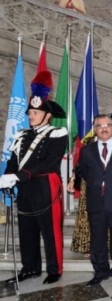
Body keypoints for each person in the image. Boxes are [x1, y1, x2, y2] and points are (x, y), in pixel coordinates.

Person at [1, 86, 67, 285]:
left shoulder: (57, 133)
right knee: (26, 230)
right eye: (30, 112)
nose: (31, 116)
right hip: (25, 187)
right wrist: (7, 177)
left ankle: (55, 270)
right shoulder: (22, 135)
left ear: (47, 116)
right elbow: (14, 160)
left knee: (50, 230)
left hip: (45, 185)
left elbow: (47, 162)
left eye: (35, 112)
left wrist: (18, 177)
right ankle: (30, 268)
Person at [75, 114, 112, 286]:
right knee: (97, 240)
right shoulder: (86, 150)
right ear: (95, 129)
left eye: (108, 125)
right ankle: (100, 271)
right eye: (100, 125)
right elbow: (84, 172)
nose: (104, 128)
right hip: (96, 202)